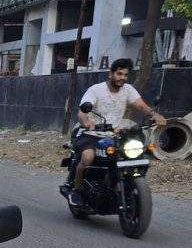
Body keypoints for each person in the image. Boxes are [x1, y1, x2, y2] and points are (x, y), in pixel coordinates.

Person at [68, 58, 166, 207]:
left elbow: (140, 105)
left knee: (136, 153)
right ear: (111, 73)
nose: (123, 78)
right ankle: (77, 190)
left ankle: (124, 186)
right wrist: (86, 122)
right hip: (91, 134)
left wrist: (154, 115)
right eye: (119, 74)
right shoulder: (96, 90)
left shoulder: (128, 89)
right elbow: (82, 112)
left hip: (114, 134)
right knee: (88, 157)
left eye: (125, 75)